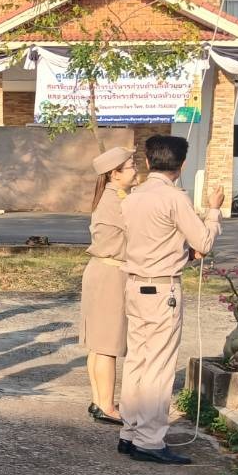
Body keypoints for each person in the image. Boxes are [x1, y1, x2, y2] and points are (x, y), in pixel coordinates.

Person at [119, 135, 224, 464]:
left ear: (148, 161)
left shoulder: (132, 197)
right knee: (158, 367)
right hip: (162, 290)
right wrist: (214, 209)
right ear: (181, 165)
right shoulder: (175, 198)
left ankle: (129, 432)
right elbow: (204, 243)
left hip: (134, 284)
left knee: (137, 360)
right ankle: (149, 440)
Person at [80, 146, 138, 428]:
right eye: (131, 166)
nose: (136, 170)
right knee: (107, 344)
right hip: (111, 273)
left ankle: (98, 400)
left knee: (98, 343)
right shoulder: (117, 201)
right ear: (115, 174)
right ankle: (106, 405)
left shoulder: (113, 195)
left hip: (103, 270)